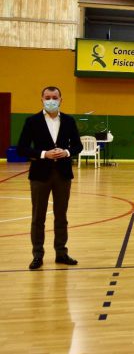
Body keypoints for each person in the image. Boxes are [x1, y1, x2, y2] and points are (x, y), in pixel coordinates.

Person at [17, 86, 83, 270]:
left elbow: (78, 146)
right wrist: (44, 154)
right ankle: (37, 254)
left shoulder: (69, 121)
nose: (51, 100)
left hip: (62, 174)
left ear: (61, 99)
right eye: (48, 97)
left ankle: (61, 252)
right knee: (38, 217)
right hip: (39, 174)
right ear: (42, 99)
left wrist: (67, 151)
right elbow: (22, 148)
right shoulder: (32, 121)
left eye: (55, 97)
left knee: (61, 216)